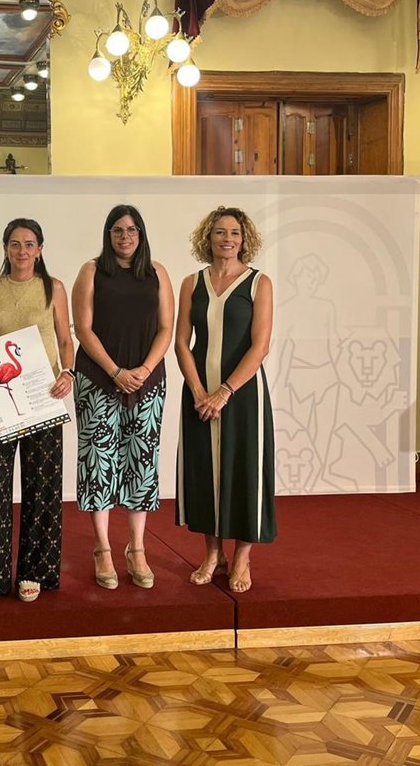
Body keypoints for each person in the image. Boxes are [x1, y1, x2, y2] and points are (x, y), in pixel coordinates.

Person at [0, 218, 75, 610]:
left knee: (42, 487)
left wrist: (68, 373)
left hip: (43, 398)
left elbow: (65, 340)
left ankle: (33, 572)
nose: (22, 251)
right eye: (14, 244)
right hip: (4, 403)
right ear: (5, 248)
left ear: (40, 249)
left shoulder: (54, 288)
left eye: (29, 244)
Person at [174, 205, 276, 594]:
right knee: (205, 470)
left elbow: (260, 346)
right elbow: (181, 342)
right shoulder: (191, 283)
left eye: (234, 233)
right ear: (208, 238)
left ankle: (243, 557)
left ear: (244, 239)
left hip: (243, 395)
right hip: (199, 394)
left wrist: (224, 391)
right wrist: (200, 391)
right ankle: (212, 554)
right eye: (219, 232)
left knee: (244, 469)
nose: (227, 239)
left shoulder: (259, 283)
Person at [72, 205, 174, 590]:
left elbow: (166, 327)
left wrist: (144, 370)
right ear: (108, 234)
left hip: (147, 382)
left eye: (132, 230)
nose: (125, 236)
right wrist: (115, 371)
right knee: (98, 463)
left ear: (141, 234)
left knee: (141, 464)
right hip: (98, 379)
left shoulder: (157, 272)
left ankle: (137, 548)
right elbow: (83, 328)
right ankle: (102, 548)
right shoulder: (91, 271)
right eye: (117, 230)